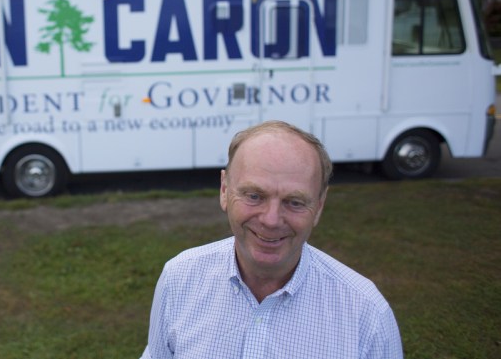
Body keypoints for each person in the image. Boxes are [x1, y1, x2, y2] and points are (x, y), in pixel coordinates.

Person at [140, 120, 403, 359]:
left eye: (295, 202)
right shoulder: (179, 278)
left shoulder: (366, 315)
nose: (271, 219)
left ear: (320, 206)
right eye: (254, 196)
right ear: (224, 190)